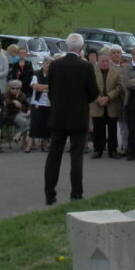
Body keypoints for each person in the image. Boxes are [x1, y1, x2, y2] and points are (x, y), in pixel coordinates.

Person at [43, 33, 98, 205]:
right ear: (81, 48)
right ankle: (76, 193)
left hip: (58, 116)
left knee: (54, 156)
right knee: (76, 156)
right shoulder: (86, 67)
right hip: (78, 117)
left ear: (67, 46)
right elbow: (93, 93)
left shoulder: (55, 65)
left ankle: (49, 193)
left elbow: (51, 91)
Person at [90, 50, 121, 158]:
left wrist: (108, 97)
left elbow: (119, 87)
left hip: (111, 105)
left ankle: (113, 150)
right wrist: (99, 99)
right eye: (102, 61)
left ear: (110, 61)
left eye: (107, 61)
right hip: (97, 105)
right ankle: (98, 150)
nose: (105, 63)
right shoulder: (92, 72)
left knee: (112, 130)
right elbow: (90, 88)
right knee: (98, 129)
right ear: (98, 61)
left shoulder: (116, 73)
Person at [27, 58, 53, 153]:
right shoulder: (36, 73)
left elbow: (53, 87)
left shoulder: (53, 75)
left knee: (46, 123)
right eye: (46, 63)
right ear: (43, 64)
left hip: (48, 102)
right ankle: (30, 143)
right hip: (36, 102)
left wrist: (42, 87)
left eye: (50, 63)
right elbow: (35, 87)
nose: (48, 65)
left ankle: (45, 143)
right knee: (34, 123)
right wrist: (46, 87)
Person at [4, 80, 31, 147]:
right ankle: (23, 141)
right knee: (25, 121)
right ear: (10, 88)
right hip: (11, 116)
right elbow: (7, 104)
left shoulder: (23, 95)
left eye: (17, 88)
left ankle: (18, 136)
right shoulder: (6, 95)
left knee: (29, 120)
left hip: (22, 114)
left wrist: (21, 106)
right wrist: (13, 102)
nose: (15, 90)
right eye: (13, 88)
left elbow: (27, 107)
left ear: (20, 88)